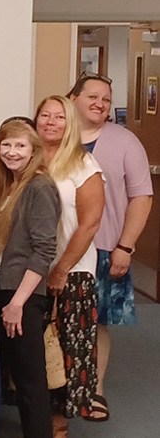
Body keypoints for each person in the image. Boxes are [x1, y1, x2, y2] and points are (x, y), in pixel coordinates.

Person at [69, 75, 152, 421]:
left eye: (107, 98)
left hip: (105, 247)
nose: (101, 103)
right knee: (55, 321)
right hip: (56, 248)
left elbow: (141, 197)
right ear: (72, 98)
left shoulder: (125, 141)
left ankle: (94, 389)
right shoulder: (54, 134)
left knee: (96, 322)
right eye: (93, 96)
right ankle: (59, 387)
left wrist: (125, 247)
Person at [0, 121, 59, 438]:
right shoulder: (7, 185)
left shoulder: (39, 187)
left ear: (34, 151)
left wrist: (17, 303)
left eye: (20, 146)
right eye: (6, 145)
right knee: (16, 375)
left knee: (30, 381)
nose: (12, 152)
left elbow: (43, 250)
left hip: (23, 294)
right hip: (0, 286)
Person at [34, 95, 104, 434]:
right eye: (44, 115)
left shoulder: (83, 164)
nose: (49, 121)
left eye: (58, 117)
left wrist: (60, 270)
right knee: (35, 354)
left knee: (64, 353)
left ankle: (58, 428)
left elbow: (90, 224)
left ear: (70, 123)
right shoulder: (27, 159)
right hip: (29, 272)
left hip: (70, 274)